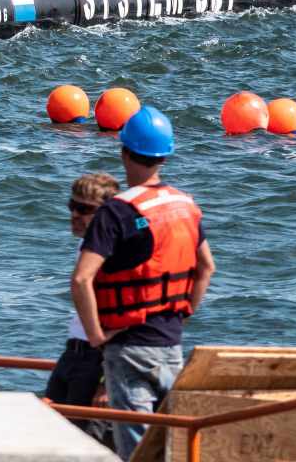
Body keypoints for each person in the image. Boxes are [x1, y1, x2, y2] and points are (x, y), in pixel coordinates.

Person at [71, 106, 215, 459]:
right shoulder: (186, 204)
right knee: (168, 446)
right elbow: (206, 267)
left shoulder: (118, 210)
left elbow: (81, 278)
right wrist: (184, 312)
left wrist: (95, 336)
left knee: (136, 453)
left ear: (123, 151)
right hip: (171, 344)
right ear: (164, 156)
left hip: (129, 348)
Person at [46, 172, 120, 448]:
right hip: (73, 353)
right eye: (71, 206)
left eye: (84, 209)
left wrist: (105, 380)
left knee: (87, 444)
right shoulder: (86, 246)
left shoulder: (114, 253)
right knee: (52, 435)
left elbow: (125, 319)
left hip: (95, 361)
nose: (74, 215)